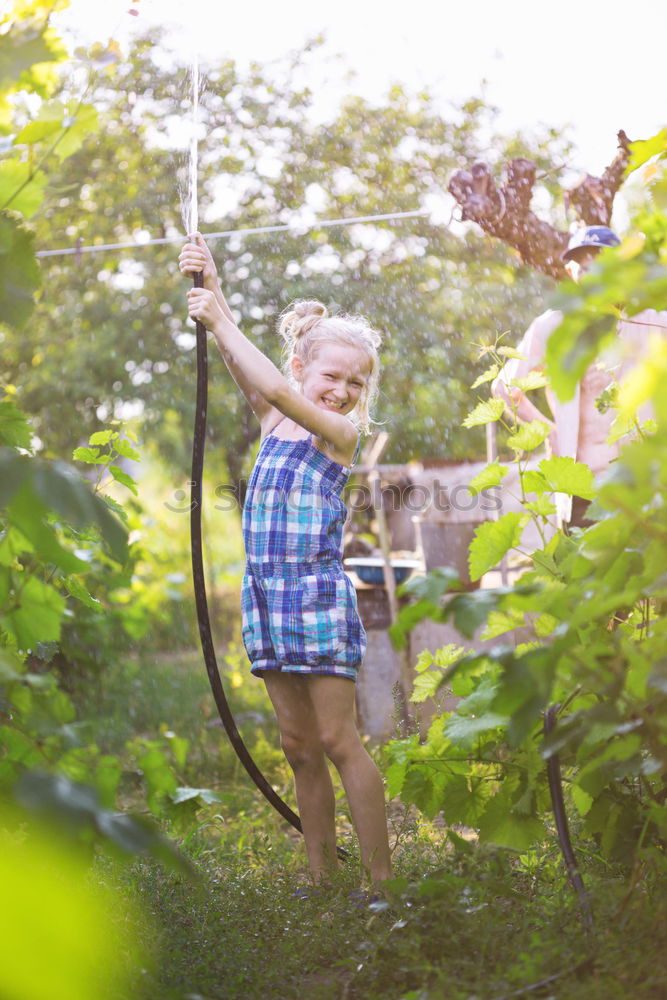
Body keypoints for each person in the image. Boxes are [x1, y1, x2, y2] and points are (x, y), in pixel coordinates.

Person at [179, 234, 392, 889]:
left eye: (356, 382)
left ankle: (382, 883)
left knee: (337, 740)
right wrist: (211, 286)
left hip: (317, 597)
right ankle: (320, 876)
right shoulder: (275, 423)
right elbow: (252, 373)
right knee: (297, 747)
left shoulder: (340, 435)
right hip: (267, 598)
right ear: (303, 368)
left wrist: (217, 316)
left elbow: (268, 376)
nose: (343, 390)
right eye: (331, 375)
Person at [492, 225, 667, 527]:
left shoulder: (651, 322)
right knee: (586, 570)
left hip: (646, 484)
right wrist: (550, 431)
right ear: (572, 274)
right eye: (583, 268)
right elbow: (505, 387)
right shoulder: (554, 327)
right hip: (583, 488)